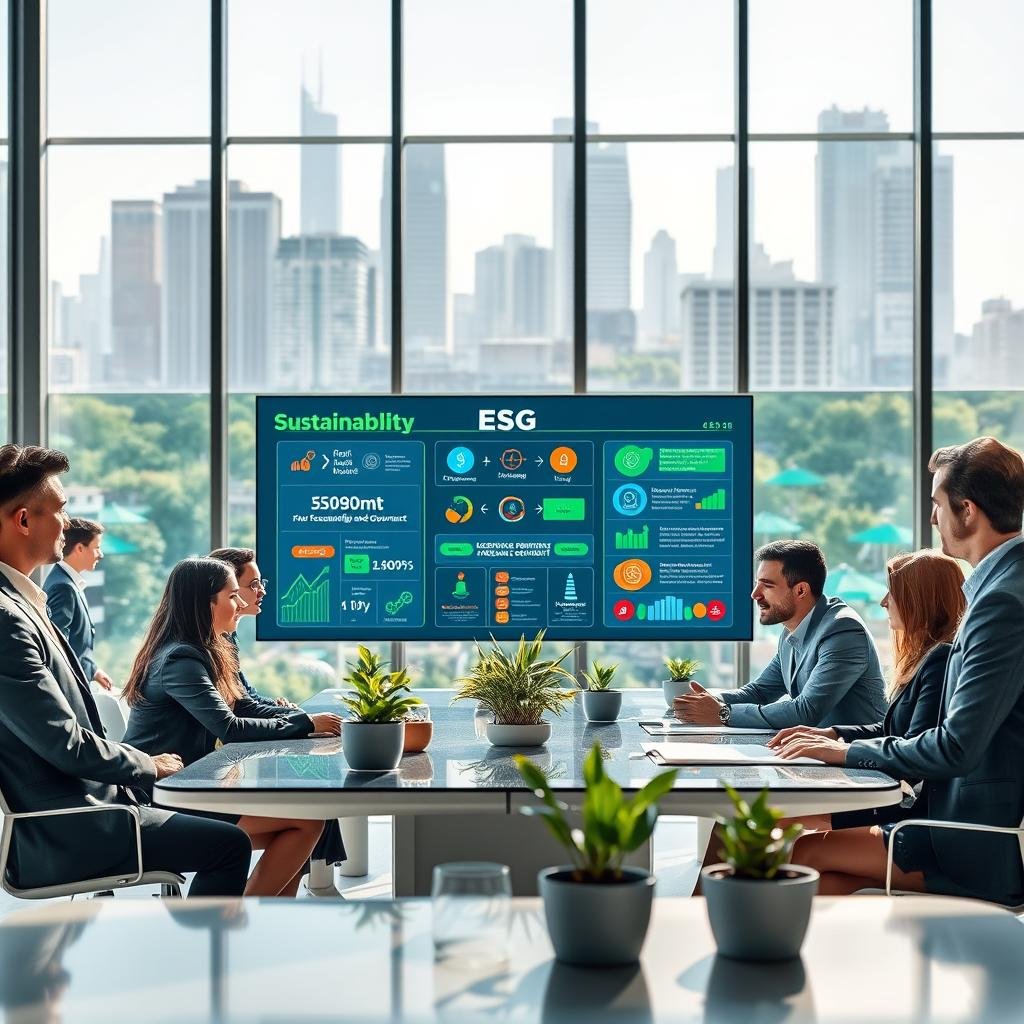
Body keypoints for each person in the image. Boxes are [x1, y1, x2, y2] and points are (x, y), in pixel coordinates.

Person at [776, 437, 1024, 904]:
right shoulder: (1002, 587)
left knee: (800, 855)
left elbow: (956, 747)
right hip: (954, 824)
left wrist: (845, 752)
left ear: (967, 511)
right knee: (820, 887)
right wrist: (838, 742)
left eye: (937, 504)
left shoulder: (1002, 602)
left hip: (968, 842)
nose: (932, 518)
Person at [0, 444, 251, 897]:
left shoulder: (24, 602)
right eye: (60, 509)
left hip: (96, 806)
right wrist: (148, 764)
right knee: (229, 846)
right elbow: (64, 743)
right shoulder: (7, 618)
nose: (66, 522)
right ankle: (207, 945)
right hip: (74, 827)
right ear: (23, 520)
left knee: (239, 831)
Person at [122, 557, 342, 897]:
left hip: (196, 783)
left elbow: (241, 707)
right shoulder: (180, 659)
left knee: (306, 823)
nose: (240, 604)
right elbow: (230, 728)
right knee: (307, 822)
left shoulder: (201, 651)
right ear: (205, 603)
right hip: (162, 794)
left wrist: (300, 721)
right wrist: (305, 722)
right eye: (233, 596)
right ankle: (243, 915)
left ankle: (256, 916)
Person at [766, 549, 965, 836]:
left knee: (775, 822)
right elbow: (892, 729)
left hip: (913, 811)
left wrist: (844, 751)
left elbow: (914, 753)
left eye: (893, 593)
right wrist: (832, 733)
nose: (884, 602)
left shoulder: (939, 661)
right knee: (772, 821)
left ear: (920, 601)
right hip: (903, 800)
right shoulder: (925, 659)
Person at [208, 546, 347, 887]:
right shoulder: (191, 654)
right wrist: (302, 721)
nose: (262, 591)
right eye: (252, 584)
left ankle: (274, 908)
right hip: (198, 784)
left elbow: (246, 699)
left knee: (311, 812)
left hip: (220, 773)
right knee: (308, 817)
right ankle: (256, 910)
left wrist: (291, 715)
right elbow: (237, 715)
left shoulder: (224, 639)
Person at [676, 540, 887, 729]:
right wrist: (703, 701)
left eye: (767, 585)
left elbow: (806, 711)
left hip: (856, 756)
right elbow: (760, 692)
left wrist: (723, 713)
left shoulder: (843, 630)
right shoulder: (791, 630)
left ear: (801, 590)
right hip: (813, 751)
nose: (754, 594)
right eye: (757, 584)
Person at [43, 517, 113, 691]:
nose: (101, 554)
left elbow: (75, 642)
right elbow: (59, 647)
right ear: (80, 548)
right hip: (69, 688)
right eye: (97, 547)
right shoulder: (63, 587)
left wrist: (93, 670)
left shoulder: (68, 582)